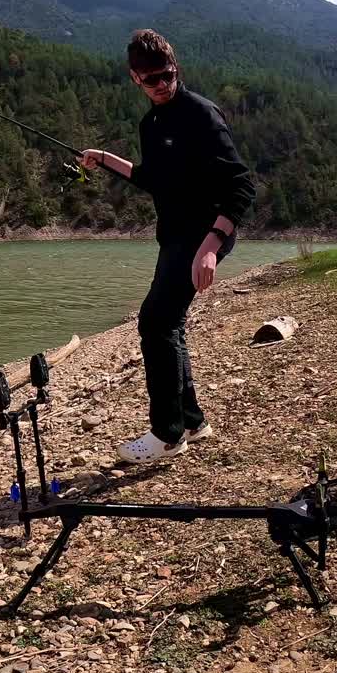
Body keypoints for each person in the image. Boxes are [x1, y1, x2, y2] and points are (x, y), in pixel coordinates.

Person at [78, 29, 256, 463]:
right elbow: (150, 178)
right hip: (175, 237)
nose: (161, 84)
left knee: (156, 322)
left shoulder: (200, 114)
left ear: (175, 68)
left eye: (167, 75)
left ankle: (167, 434)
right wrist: (103, 157)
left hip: (206, 234)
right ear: (135, 79)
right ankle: (193, 421)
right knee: (168, 323)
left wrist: (212, 245)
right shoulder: (150, 123)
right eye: (151, 79)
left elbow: (241, 185)